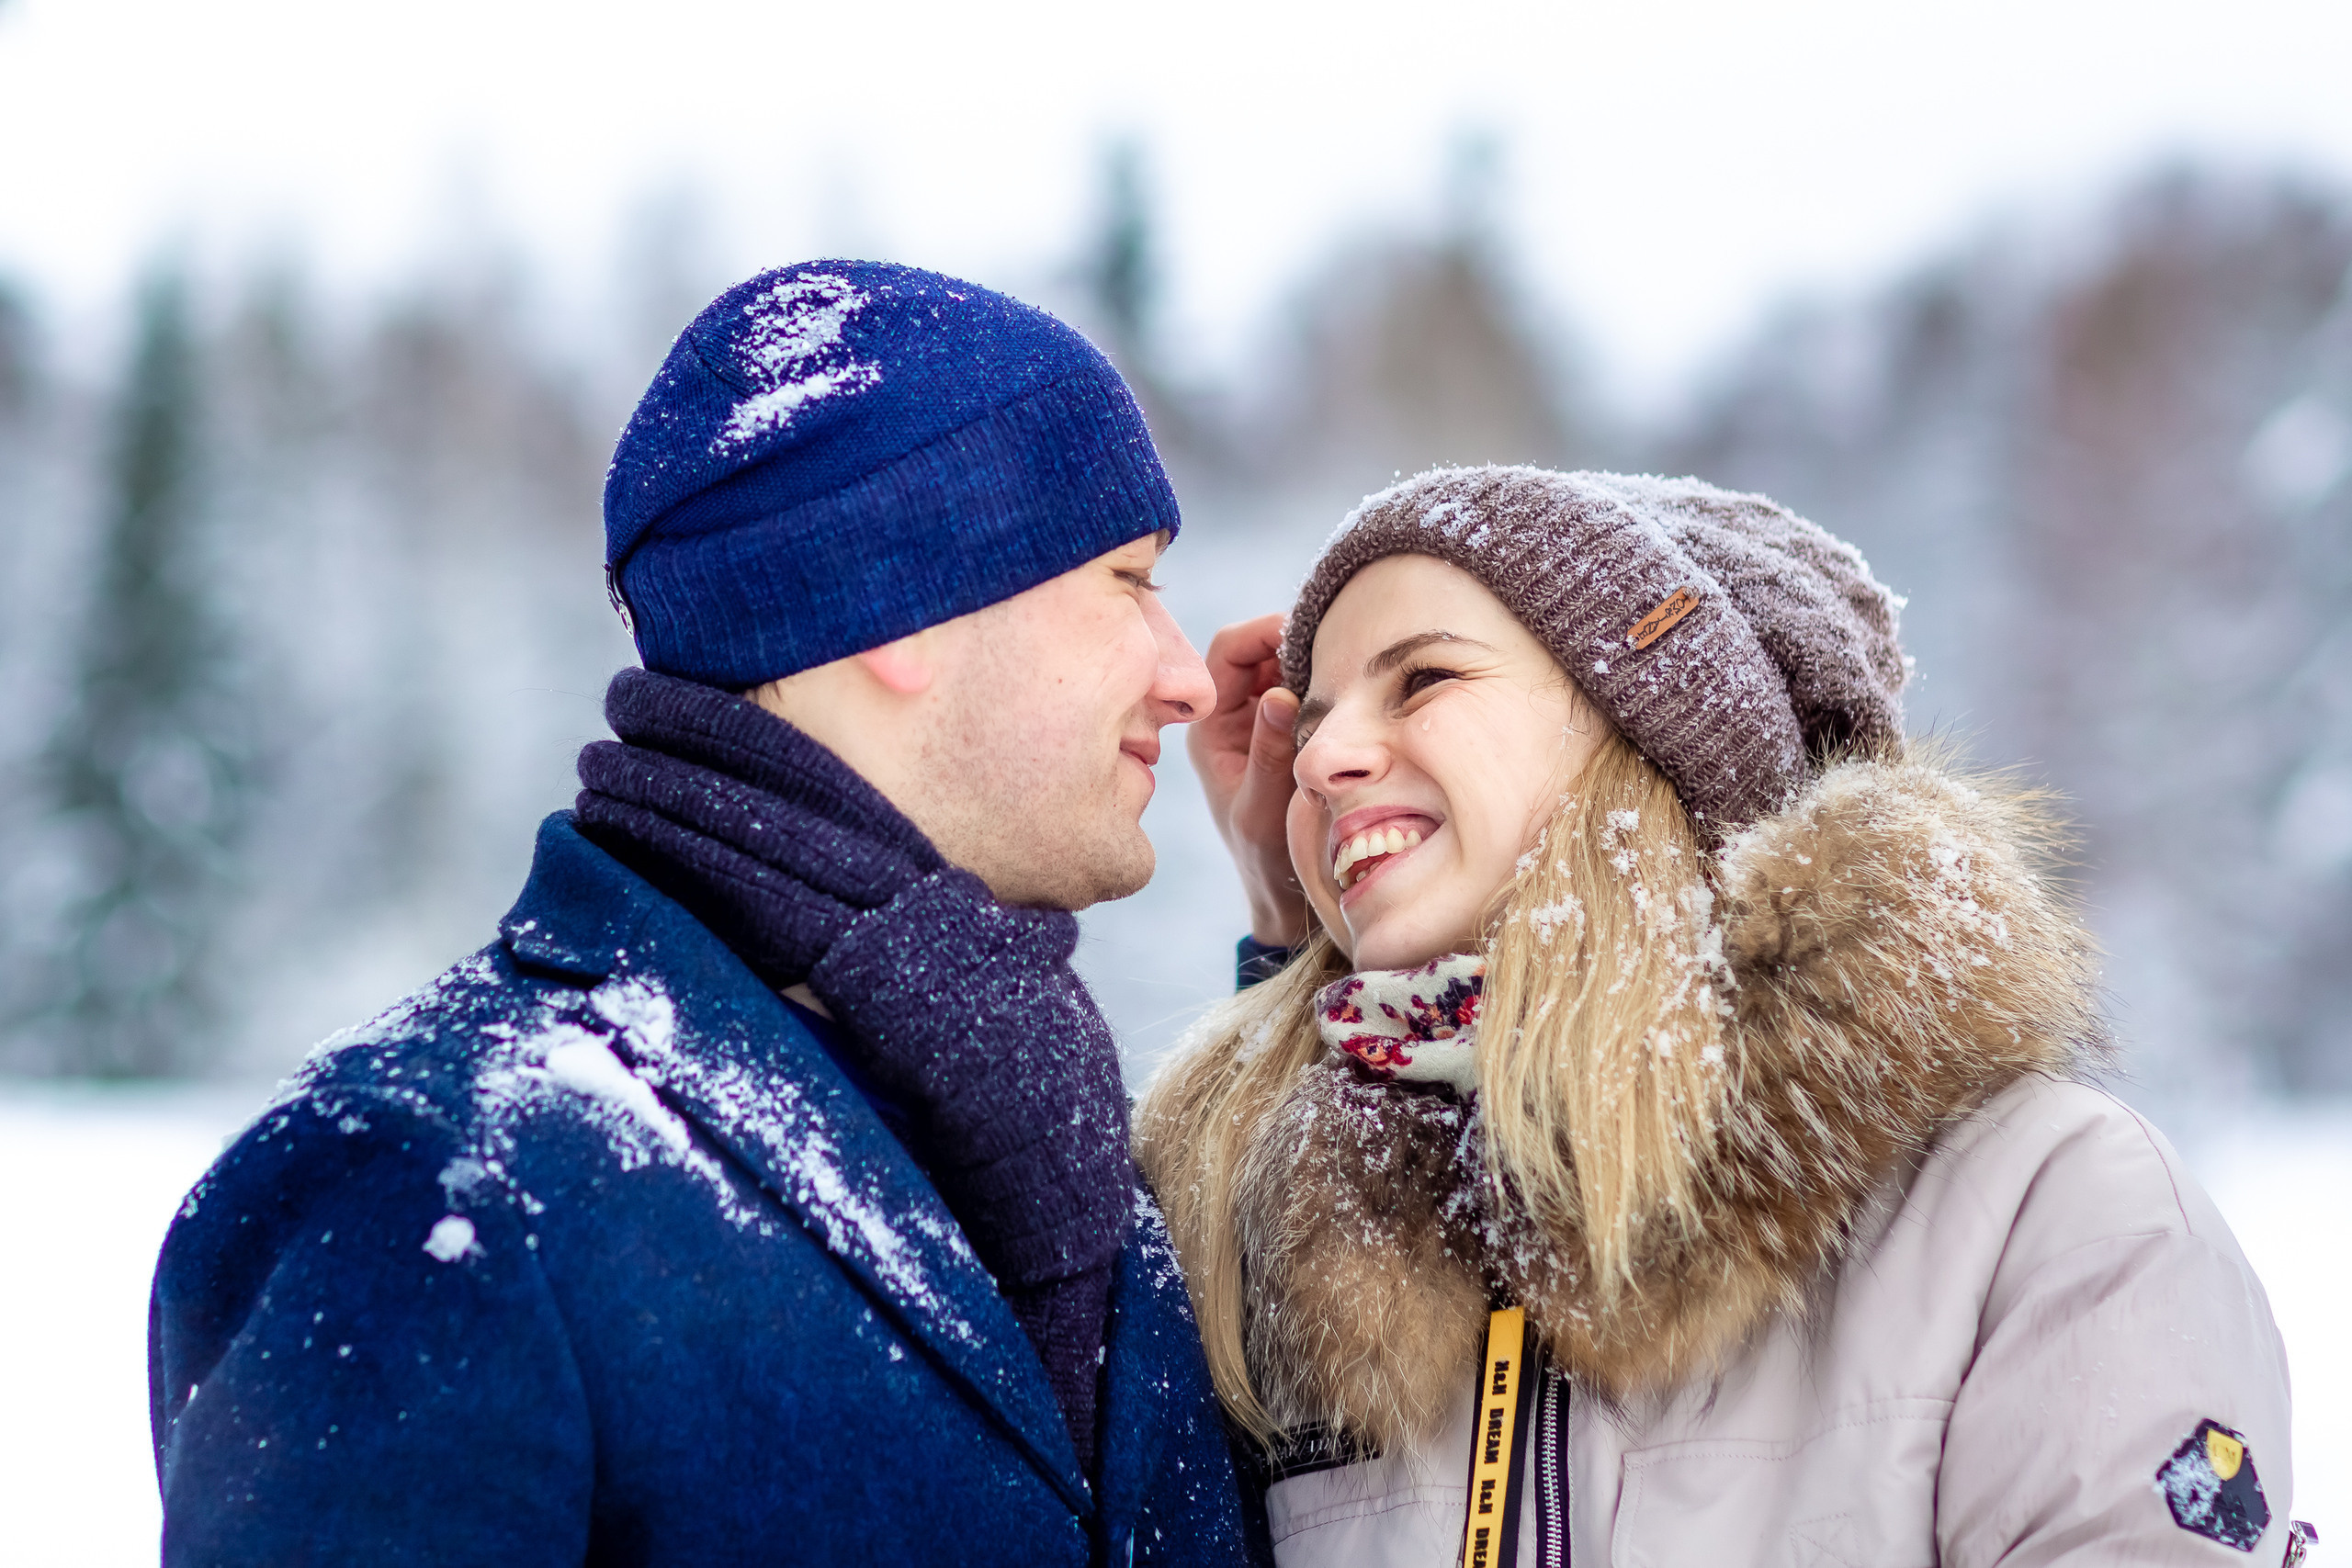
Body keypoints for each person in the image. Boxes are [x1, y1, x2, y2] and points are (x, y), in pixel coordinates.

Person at [148, 261, 1261, 1566]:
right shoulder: (437, 1175)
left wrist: (1322, 954)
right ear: (901, 598)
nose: (1186, 673)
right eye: (1130, 577)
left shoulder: (1064, 1159)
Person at [1138, 466, 2306, 1567]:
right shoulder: (1304, 1250)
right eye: (1316, 717)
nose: (1321, 755)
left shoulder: (2040, 1208)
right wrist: (1283, 941)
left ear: (1654, 733)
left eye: (1425, 679)